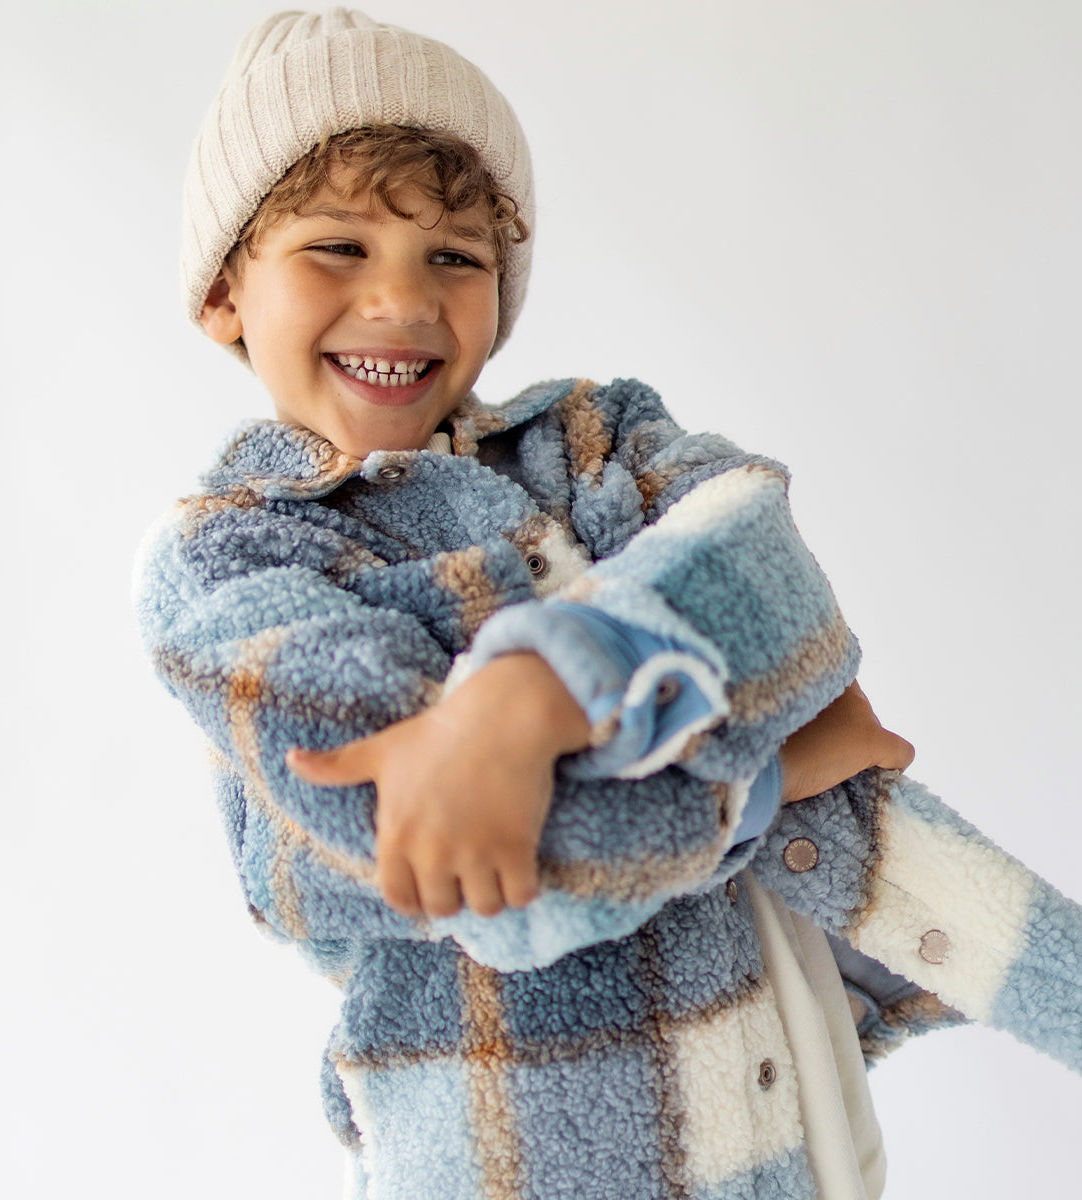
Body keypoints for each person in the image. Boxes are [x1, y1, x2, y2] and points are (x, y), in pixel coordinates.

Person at [136, 10, 1081, 1198]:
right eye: (336, 247)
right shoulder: (231, 566)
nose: (401, 300)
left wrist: (536, 693)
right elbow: (502, 881)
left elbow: (769, 566)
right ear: (226, 293)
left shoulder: (591, 434)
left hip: (795, 1132)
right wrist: (771, 768)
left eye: (454, 257)